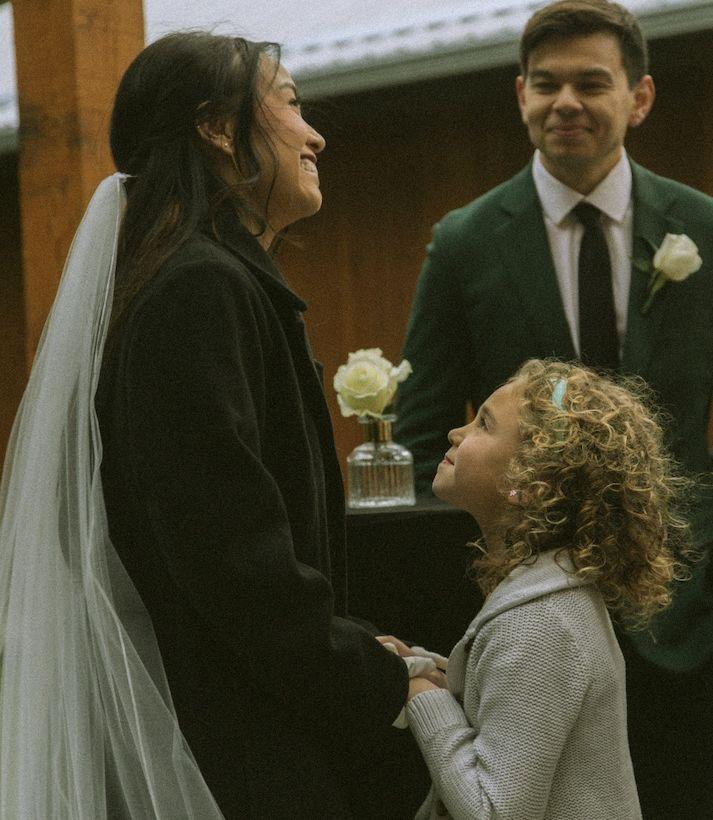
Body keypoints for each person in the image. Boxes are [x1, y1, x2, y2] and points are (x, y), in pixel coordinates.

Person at [0, 31, 428, 819]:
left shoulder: (199, 278)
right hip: (230, 747)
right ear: (218, 129)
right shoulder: (198, 289)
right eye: (290, 105)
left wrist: (356, 643)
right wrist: (367, 672)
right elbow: (230, 554)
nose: (314, 135)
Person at [395, 2, 713, 815]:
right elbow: (422, 428)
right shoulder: (464, 241)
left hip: (686, 606)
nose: (564, 102)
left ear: (638, 98)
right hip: (530, 617)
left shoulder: (701, 228)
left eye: (590, 83)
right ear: (520, 95)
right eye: (545, 84)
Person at [399, 358, 691, 819]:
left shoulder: (539, 624)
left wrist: (420, 693)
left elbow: (493, 811)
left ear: (529, 482)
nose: (456, 433)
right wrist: (439, 677)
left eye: (483, 424)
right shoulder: (551, 600)